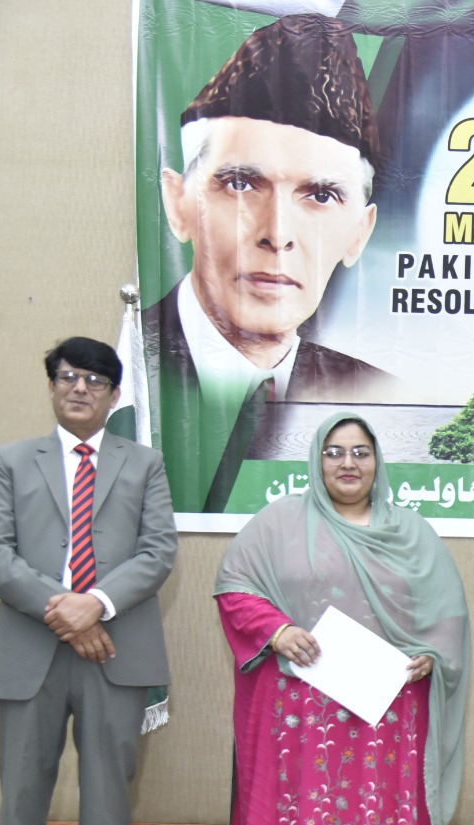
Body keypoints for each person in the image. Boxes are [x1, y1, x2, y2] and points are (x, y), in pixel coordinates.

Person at [214, 413, 470, 825]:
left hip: (385, 708)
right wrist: (277, 630)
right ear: (316, 460)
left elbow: (445, 612)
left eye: (360, 452)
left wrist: (431, 655)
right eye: (334, 452)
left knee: (375, 813)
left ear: (378, 462)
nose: (348, 463)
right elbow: (235, 586)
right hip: (301, 709)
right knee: (306, 815)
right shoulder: (279, 522)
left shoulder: (410, 532)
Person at [0, 337, 178, 825]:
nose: (80, 387)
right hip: (30, 654)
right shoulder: (11, 461)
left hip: (114, 654)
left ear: (115, 395)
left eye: (94, 379)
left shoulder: (144, 464)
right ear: (52, 386)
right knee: (21, 807)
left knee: (107, 809)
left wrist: (98, 604)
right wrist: (65, 609)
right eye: (67, 376)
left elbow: (157, 551)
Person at [146, 13, 393, 513]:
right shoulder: (133, 371)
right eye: (240, 185)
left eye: (320, 195)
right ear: (178, 203)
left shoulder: (375, 392)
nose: (277, 234)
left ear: (359, 233)